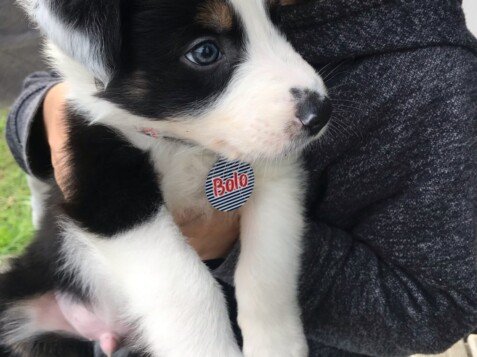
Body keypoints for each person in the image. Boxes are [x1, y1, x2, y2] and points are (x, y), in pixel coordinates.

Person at [5, 0, 477, 356]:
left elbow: (440, 306)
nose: (306, 79)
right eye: (206, 51)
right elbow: (51, 96)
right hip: (58, 294)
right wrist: (46, 111)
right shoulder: (102, 62)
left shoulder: (438, 85)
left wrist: (259, 299)